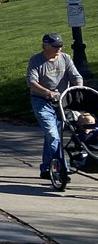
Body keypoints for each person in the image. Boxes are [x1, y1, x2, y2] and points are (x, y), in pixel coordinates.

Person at [27, 32, 84, 180]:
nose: (59, 48)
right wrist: (48, 92)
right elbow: (32, 83)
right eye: (55, 46)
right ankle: (62, 168)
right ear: (45, 46)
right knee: (53, 135)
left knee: (53, 135)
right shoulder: (36, 61)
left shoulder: (65, 58)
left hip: (61, 102)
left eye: (60, 45)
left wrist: (78, 87)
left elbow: (76, 76)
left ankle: (47, 168)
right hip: (42, 101)